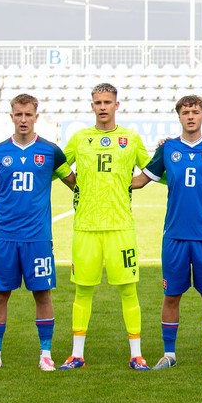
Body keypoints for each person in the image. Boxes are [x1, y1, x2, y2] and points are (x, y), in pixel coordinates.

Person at [131, 95, 202, 370]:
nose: (191, 116)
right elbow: (142, 180)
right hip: (175, 235)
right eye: (185, 112)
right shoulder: (167, 150)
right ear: (178, 116)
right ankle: (169, 355)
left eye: (196, 111)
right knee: (171, 295)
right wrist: (105, 182)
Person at [0, 94, 76, 372]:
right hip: (4, 238)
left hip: (38, 239)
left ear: (36, 117)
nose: (23, 120)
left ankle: (45, 354)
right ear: (11, 117)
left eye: (28, 115)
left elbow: (75, 183)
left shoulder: (51, 152)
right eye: (18, 115)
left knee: (42, 295)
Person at [59, 83, 151, 370]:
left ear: (116, 105)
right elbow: (60, 166)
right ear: (92, 106)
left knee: (128, 290)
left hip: (120, 227)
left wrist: (130, 184)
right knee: (82, 291)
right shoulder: (79, 138)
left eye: (107, 102)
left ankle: (136, 354)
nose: (102, 107)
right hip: (85, 227)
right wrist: (77, 186)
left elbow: (150, 169)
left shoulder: (131, 139)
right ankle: (77, 355)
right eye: (97, 102)